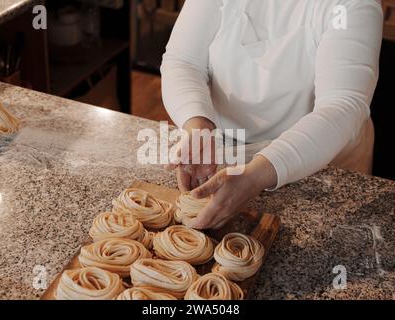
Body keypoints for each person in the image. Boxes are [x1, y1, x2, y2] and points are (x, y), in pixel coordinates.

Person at [161, 0, 383, 229]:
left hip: (322, 164)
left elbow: (342, 105)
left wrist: (257, 175)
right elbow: (183, 61)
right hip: (226, 155)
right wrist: (198, 126)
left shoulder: (348, 5)